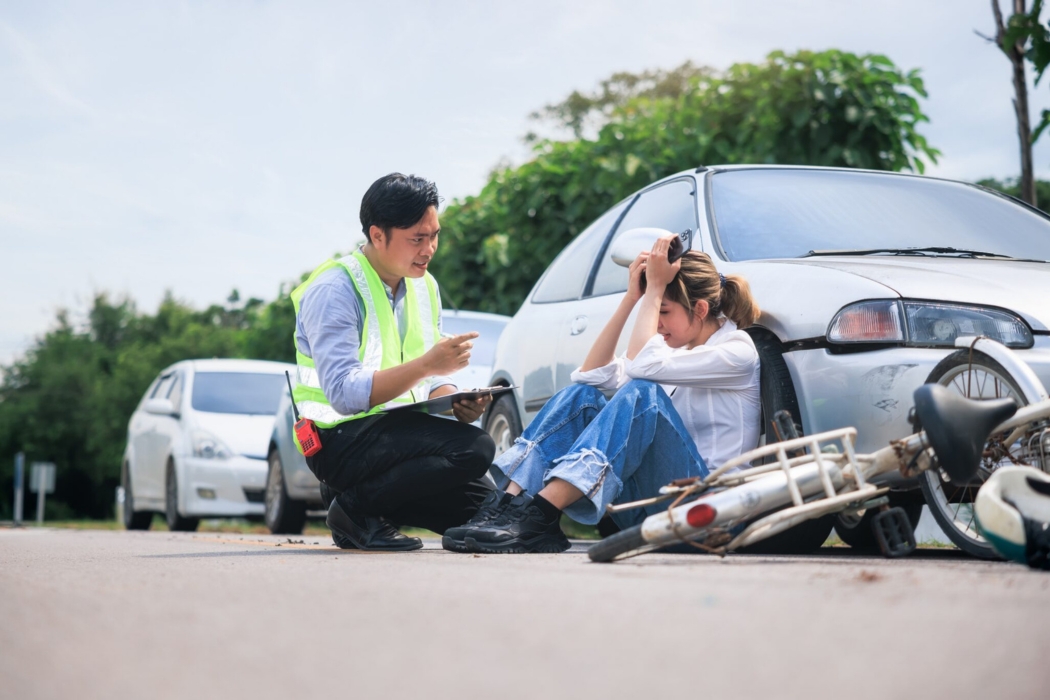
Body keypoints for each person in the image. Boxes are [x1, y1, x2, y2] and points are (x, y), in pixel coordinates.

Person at [443, 234, 762, 553]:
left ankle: (540, 514)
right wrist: (631, 298)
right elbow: (592, 375)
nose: (657, 324)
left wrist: (653, 290)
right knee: (581, 395)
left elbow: (642, 369)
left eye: (663, 312)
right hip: (655, 508)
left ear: (701, 308)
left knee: (642, 393)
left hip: (709, 515)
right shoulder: (669, 355)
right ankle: (508, 506)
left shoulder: (736, 352)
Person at [292, 173, 495, 551]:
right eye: (417, 238)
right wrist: (427, 365)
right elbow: (343, 394)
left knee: (490, 512)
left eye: (434, 235)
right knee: (475, 448)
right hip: (337, 439)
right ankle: (354, 507)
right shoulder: (334, 290)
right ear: (378, 235)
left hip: (395, 435)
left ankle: (361, 509)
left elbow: (431, 377)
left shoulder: (424, 285)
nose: (429, 248)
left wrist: (455, 401)